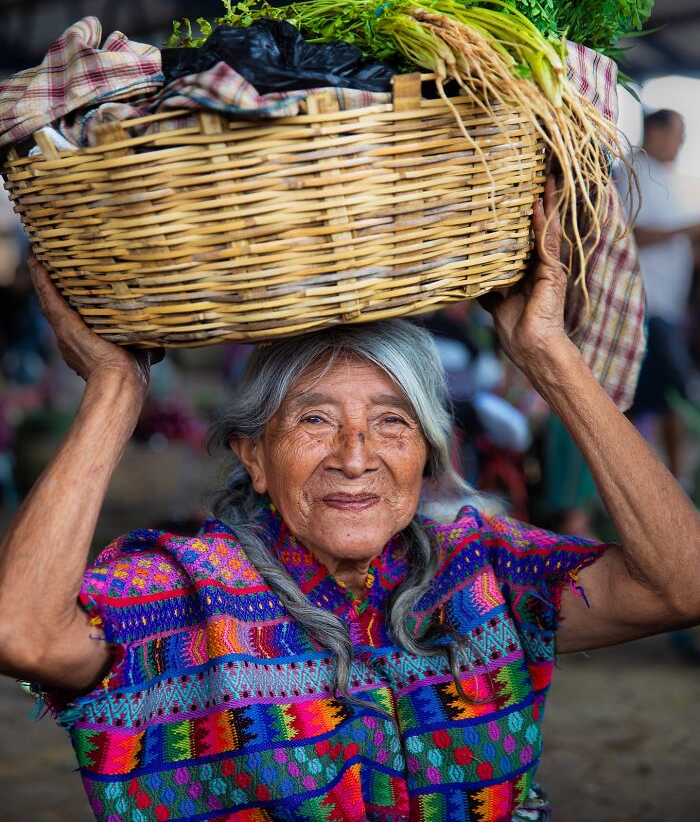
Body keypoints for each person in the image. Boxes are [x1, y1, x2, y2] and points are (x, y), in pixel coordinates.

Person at [1, 177, 699, 822]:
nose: (356, 455)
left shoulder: (485, 571)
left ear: (426, 452)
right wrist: (116, 389)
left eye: (393, 421)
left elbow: (681, 585)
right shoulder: (185, 588)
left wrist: (547, 352)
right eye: (314, 420)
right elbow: (20, 631)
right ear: (254, 456)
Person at [621, 110, 700, 480]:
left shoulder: (672, 180)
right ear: (654, 129)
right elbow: (627, 235)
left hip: (665, 309)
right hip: (641, 307)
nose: (681, 143)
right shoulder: (630, 171)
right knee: (661, 400)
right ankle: (645, 484)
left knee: (658, 401)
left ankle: (666, 481)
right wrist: (685, 229)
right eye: (677, 134)